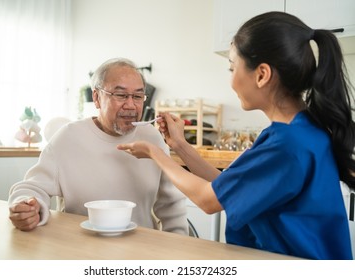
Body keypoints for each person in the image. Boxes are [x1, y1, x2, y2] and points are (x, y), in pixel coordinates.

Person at [117, 12, 355, 259]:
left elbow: (208, 200)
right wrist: (179, 145)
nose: (231, 81)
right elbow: (224, 188)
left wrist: (154, 152)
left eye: (232, 68)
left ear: (262, 75)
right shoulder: (302, 130)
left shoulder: (286, 145)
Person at [8, 58, 188, 235]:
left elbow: (172, 205)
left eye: (138, 96)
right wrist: (27, 206)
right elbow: (32, 188)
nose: (131, 105)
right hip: (79, 248)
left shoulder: (152, 137)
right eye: (120, 95)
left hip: (141, 249)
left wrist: (179, 247)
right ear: (96, 98)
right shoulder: (68, 137)